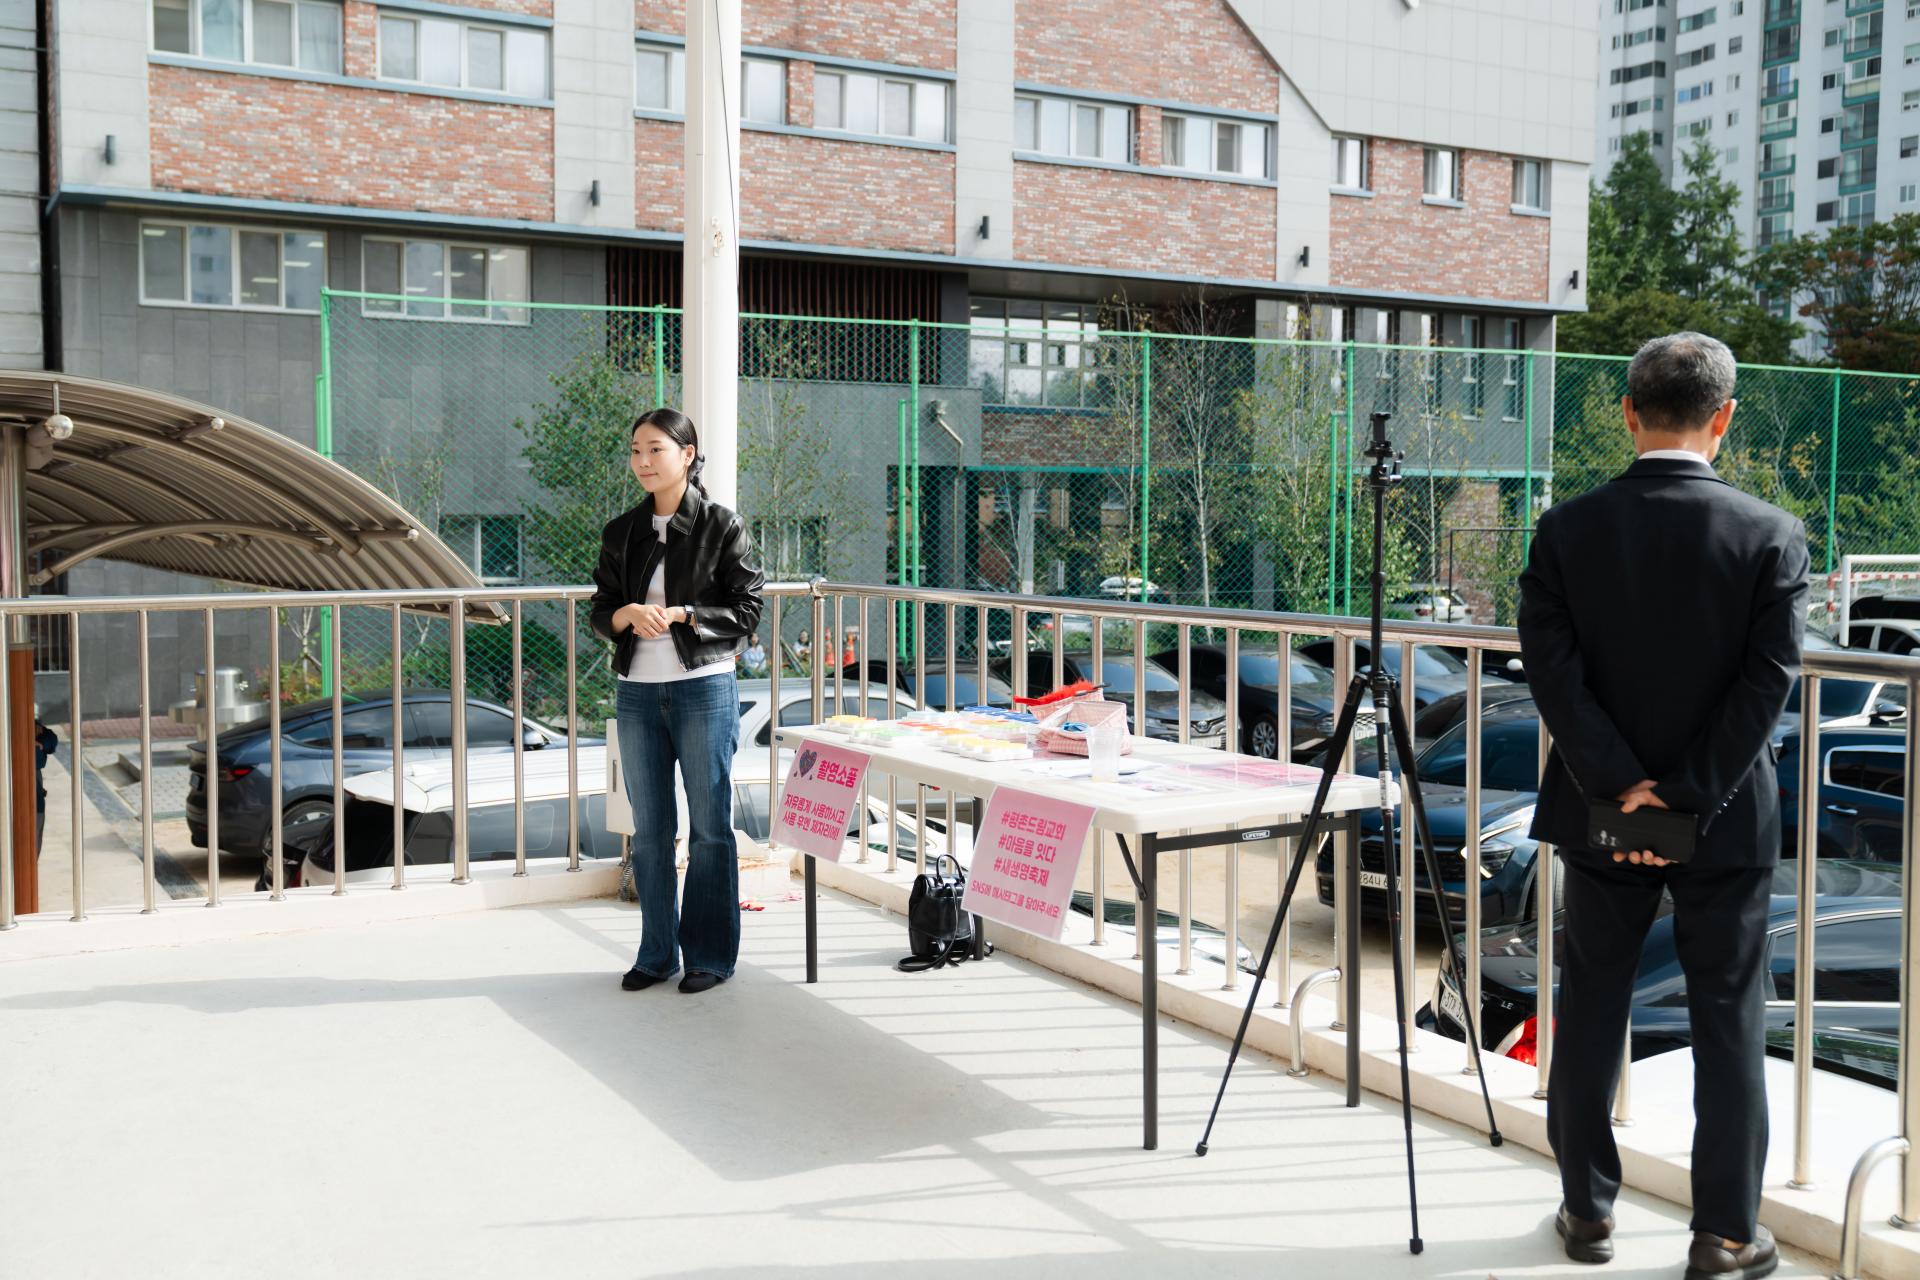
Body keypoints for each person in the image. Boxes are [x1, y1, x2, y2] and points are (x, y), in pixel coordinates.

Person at [1518, 332, 1803, 1279]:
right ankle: (1725, 1236)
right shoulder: (1770, 534)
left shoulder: (1567, 529)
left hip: (1598, 814)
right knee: (1728, 1019)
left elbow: (1552, 675)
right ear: (1724, 418)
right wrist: (1683, 797)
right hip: (1726, 821)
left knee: (1592, 1004)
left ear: (1629, 414)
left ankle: (1586, 1213)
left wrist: (1624, 791)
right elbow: (1767, 685)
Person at [591, 407, 765, 995]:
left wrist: (685, 614)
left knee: (710, 827)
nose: (642, 461)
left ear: (687, 455)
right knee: (649, 831)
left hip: (704, 689)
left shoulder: (722, 525)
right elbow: (601, 611)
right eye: (635, 450)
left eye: (655, 449)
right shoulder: (622, 531)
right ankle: (656, 954)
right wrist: (626, 613)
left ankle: (710, 956)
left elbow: (748, 611)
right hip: (638, 694)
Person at [34, 717, 56, 857]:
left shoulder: (31, 726)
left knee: (35, 836)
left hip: (34, 790)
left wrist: (40, 744)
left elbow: (52, 739)